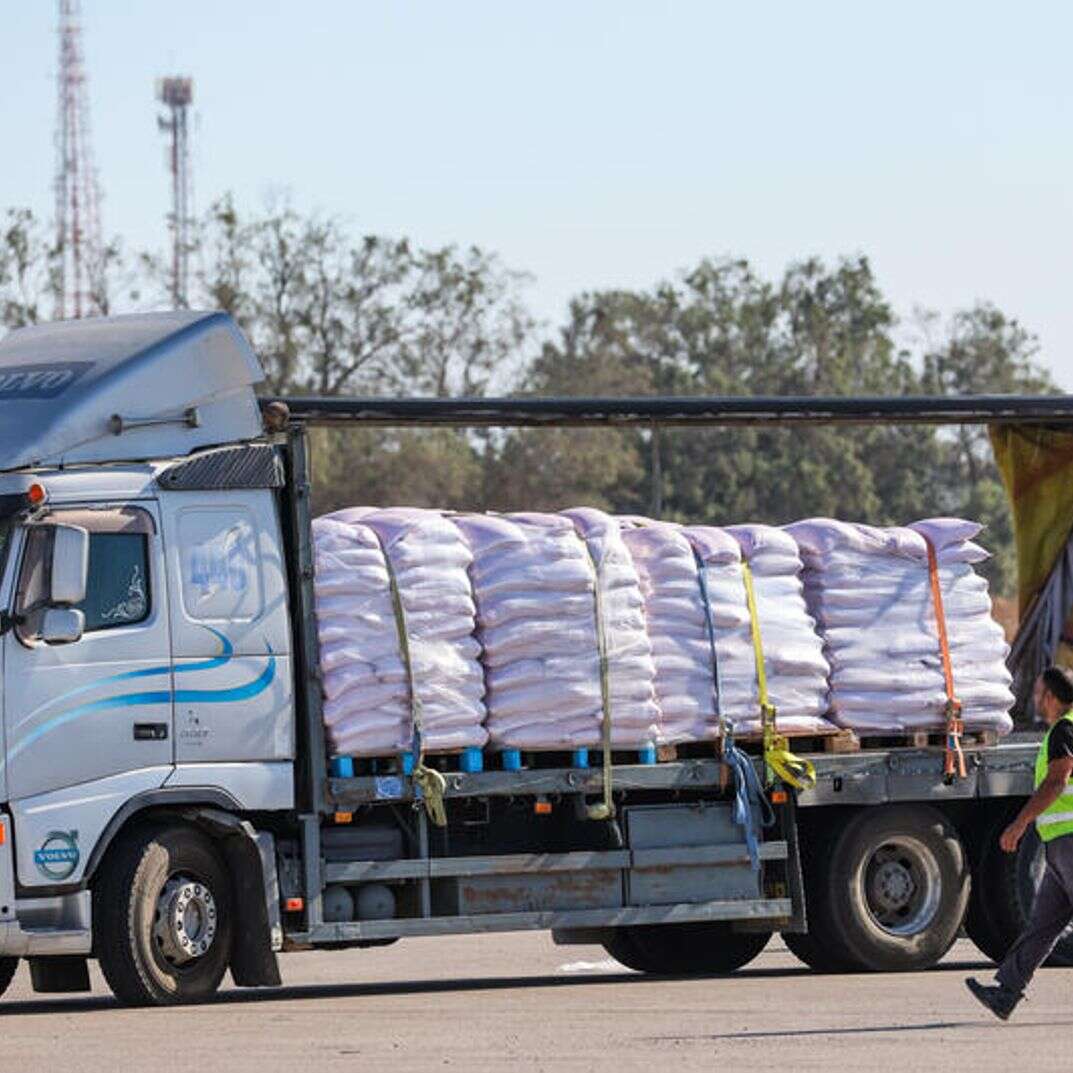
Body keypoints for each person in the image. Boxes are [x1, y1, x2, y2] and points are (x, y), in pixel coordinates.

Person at [966, 665, 1073, 1020]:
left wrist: (1020, 822)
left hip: (1069, 841)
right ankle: (1006, 992)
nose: (1035, 699)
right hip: (1058, 844)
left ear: (1051, 697)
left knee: (1044, 925)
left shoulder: (1065, 729)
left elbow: (1057, 781)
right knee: (1043, 925)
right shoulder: (1063, 728)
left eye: (1039, 692)